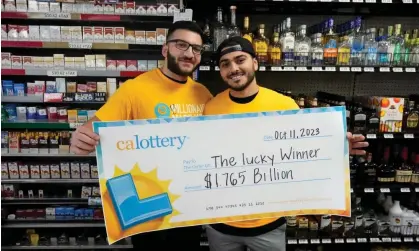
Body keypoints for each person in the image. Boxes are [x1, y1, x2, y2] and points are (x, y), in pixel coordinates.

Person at [203, 36, 369, 251]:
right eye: (225, 64)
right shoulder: (211, 107)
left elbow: (305, 151)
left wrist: (334, 147)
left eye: (240, 59)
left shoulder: (284, 105)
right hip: (221, 226)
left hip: (269, 224)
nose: (233, 68)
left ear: (254, 62)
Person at [70, 21, 212, 249]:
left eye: (196, 49)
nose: (189, 53)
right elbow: (94, 127)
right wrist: (80, 137)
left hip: (188, 203)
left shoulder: (202, 93)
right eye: (182, 45)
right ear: (165, 49)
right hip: (149, 206)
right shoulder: (134, 89)